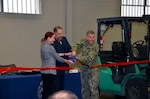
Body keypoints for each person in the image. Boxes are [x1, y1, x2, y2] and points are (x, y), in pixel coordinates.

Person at [40, 31, 74, 99]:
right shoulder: (50, 47)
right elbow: (57, 57)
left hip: (44, 71)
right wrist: (67, 61)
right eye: (53, 38)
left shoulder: (42, 46)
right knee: (50, 91)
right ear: (49, 38)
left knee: (46, 91)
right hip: (50, 72)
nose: (54, 40)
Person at [72, 30, 100, 99]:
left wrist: (78, 59)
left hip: (93, 71)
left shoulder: (95, 46)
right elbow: (76, 44)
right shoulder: (84, 41)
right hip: (84, 69)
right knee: (85, 89)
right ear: (87, 37)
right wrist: (74, 50)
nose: (92, 39)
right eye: (90, 37)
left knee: (93, 90)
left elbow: (90, 57)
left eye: (93, 37)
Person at [53, 26, 72, 91]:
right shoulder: (52, 42)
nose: (61, 35)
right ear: (54, 34)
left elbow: (69, 49)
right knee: (56, 88)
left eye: (62, 33)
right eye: (59, 34)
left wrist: (72, 53)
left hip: (64, 68)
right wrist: (66, 54)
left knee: (61, 87)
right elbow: (56, 55)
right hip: (55, 69)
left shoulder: (64, 39)